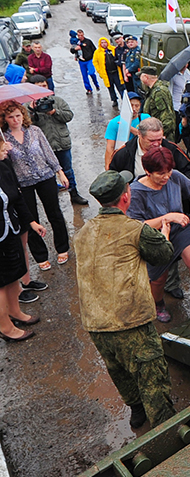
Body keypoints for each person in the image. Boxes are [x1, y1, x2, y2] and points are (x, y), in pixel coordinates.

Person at [74, 169, 176, 429]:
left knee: (118, 369)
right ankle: (167, 433)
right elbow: (164, 254)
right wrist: (164, 233)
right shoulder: (134, 229)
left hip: (95, 322)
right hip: (130, 320)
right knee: (152, 377)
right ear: (126, 197)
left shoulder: (84, 232)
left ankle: (136, 411)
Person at [109, 118, 190, 300]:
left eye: (160, 139)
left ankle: (172, 285)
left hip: (172, 210)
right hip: (140, 210)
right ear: (139, 135)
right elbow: (112, 177)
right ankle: (152, 296)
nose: (158, 144)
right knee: (150, 260)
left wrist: (173, 188)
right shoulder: (124, 153)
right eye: (152, 141)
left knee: (173, 252)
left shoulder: (170, 149)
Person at [127, 147, 190, 322]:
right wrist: (166, 218)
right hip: (154, 238)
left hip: (180, 230)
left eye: (168, 172)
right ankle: (158, 304)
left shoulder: (174, 176)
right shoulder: (136, 192)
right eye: (161, 174)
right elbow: (135, 226)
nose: (166, 177)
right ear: (147, 171)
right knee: (158, 279)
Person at [1, 100, 71, 271]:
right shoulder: (3, 138)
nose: (16, 120)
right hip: (22, 183)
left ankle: (62, 247)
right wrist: (5, 151)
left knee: (54, 212)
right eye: (11, 117)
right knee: (30, 219)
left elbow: (48, 152)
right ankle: (40, 255)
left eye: (18, 115)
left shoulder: (35, 131)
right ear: (5, 119)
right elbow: (4, 166)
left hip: (45, 176)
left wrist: (60, 172)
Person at [0, 141, 47, 341]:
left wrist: (32, 222)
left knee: (13, 274)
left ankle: (15, 312)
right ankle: (5, 328)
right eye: (2, 147)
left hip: (10, 229)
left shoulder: (3, 166)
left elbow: (17, 198)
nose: (7, 149)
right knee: (0, 282)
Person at [27, 75, 89, 205]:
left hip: (61, 143)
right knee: (48, 175)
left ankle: (74, 194)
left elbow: (69, 116)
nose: (42, 89)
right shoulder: (28, 106)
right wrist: (32, 111)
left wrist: (54, 112)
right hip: (43, 146)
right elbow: (25, 125)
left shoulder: (57, 101)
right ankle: (53, 199)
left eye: (44, 85)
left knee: (68, 170)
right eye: (38, 87)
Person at [104, 92, 151, 170]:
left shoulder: (146, 118)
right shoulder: (114, 123)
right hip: (124, 156)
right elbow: (110, 146)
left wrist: (128, 127)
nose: (134, 109)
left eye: (137, 106)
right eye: (131, 105)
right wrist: (108, 166)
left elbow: (148, 136)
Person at [139, 67, 176, 141]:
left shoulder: (159, 92)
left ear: (146, 77)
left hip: (160, 136)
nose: (140, 79)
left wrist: (161, 134)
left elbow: (167, 116)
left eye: (141, 76)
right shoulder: (154, 90)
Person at [93, 37, 125, 109]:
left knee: (120, 86)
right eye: (102, 43)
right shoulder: (97, 52)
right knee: (110, 87)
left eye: (105, 42)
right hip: (107, 73)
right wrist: (99, 71)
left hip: (116, 72)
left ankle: (124, 99)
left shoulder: (113, 49)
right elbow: (95, 62)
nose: (104, 44)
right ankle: (114, 100)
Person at [70, 30, 101, 95]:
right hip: (81, 61)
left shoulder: (88, 41)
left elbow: (94, 50)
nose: (80, 37)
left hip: (89, 60)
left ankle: (96, 84)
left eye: (81, 35)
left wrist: (96, 59)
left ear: (83, 34)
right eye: (79, 35)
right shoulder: (76, 42)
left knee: (91, 73)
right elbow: (72, 50)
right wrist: (75, 49)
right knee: (84, 76)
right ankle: (88, 89)